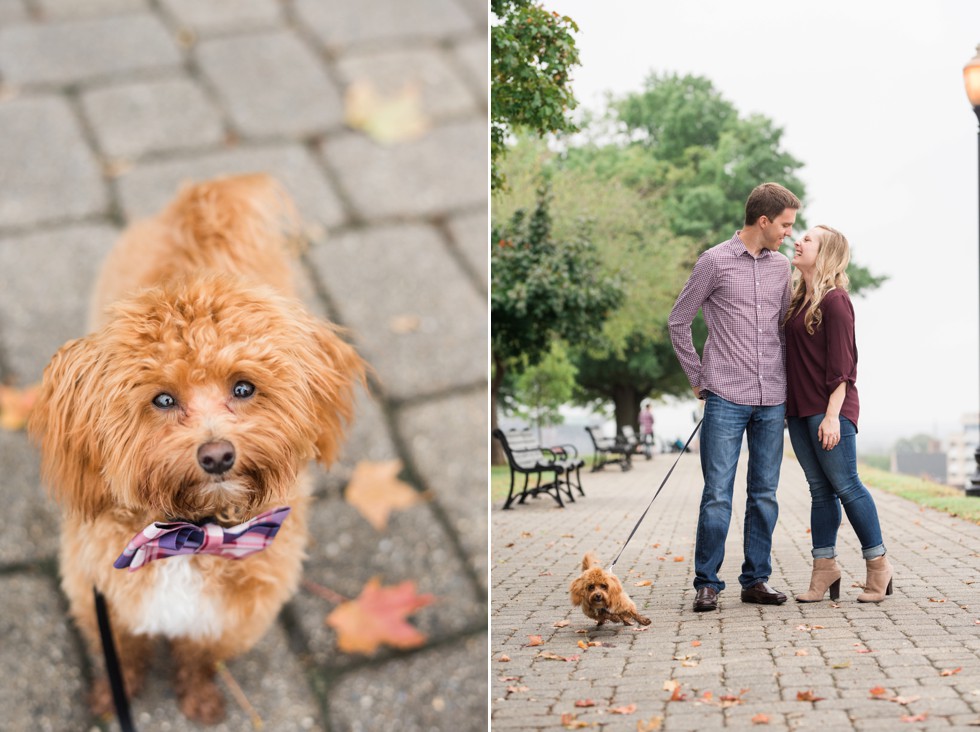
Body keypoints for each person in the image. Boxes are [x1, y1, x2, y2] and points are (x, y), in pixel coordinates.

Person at [668, 182, 800, 612]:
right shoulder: (714, 261)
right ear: (763, 221)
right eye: (785, 225)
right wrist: (698, 377)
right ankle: (707, 582)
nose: (789, 234)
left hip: (772, 397)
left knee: (764, 494)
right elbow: (678, 321)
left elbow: (783, 329)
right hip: (725, 395)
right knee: (718, 494)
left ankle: (755, 580)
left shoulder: (782, 268)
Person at [784, 225, 891, 603]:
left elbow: (844, 366)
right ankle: (824, 568)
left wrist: (832, 416)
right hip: (798, 410)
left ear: (826, 252)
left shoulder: (836, 300)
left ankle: (878, 565)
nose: (798, 241)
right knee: (820, 491)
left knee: (846, 486)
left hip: (830, 410)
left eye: (808, 239)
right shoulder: (798, 299)